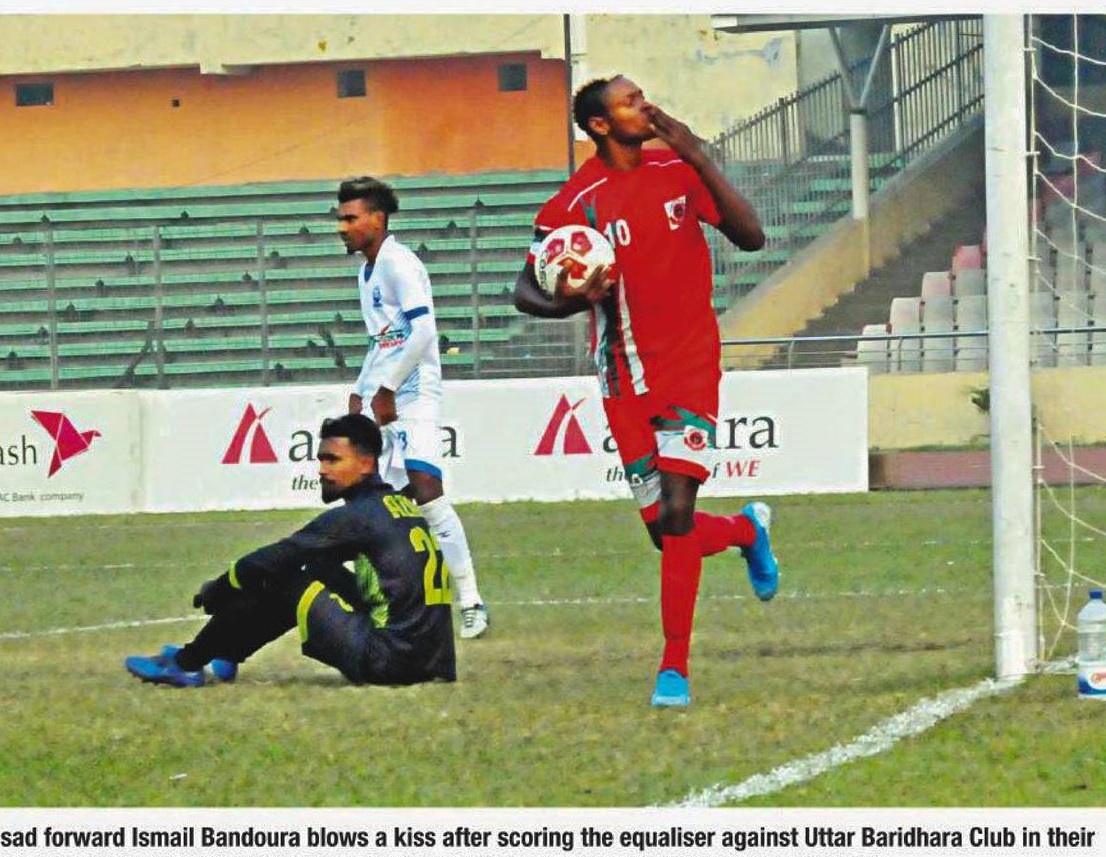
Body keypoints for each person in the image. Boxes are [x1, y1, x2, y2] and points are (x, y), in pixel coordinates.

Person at [514, 76, 779, 708]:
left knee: (679, 510)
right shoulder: (574, 204)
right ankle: (745, 531)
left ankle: (673, 668)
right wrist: (574, 297)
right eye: (629, 102)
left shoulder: (678, 171)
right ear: (600, 125)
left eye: (642, 96)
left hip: (690, 366)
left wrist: (698, 155)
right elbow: (525, 291)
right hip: (623, 377)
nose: (646, 106)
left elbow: (752, 237)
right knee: (666, 531)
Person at [124, 414, 455, 687]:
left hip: (389, 661)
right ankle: (225, 652)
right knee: (316, 567)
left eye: (333, 460)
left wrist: (220, 588)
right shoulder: (396, 505)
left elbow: (273, 559)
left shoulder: (356, 517)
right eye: (320, 459)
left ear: (367, 464)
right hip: (429, 659)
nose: (322, 470)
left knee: (285, 575)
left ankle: (187, 663)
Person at [336, 176, 491, 640]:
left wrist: (386, 389)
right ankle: (384, 599)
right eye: (340, 219)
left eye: (351, 218)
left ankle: (471, 601)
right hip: (383, 392)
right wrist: (361, 388)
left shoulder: (399, 263)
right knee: (378, 496)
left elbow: (423, 333)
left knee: (426, 488)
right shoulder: (367, 271)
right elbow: (383, 339)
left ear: (377, 219)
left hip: (414, 391)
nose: (342, 227)